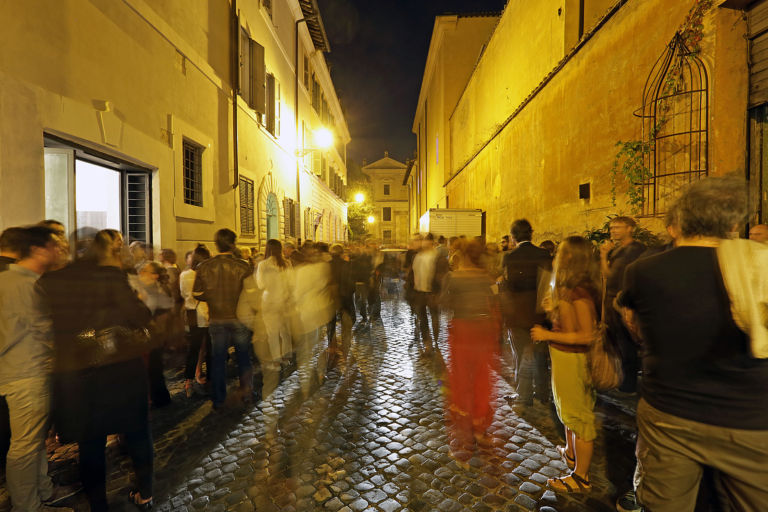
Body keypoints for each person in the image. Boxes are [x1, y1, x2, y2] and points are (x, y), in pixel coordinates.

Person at [617, 178, 768, 512]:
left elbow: (637, 331)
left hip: (671, 414)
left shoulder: (643, 271)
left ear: (678, 223)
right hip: (751, 419)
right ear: (729, 222)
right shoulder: (760, 264)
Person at [39, 229, 155, 511]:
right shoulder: (111, 277)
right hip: (120, 371)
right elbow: (140, 315)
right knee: (138, 432)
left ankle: (98, 505)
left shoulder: (54, 281)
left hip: (82, 373)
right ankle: (146, 494)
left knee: (91, 442)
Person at [0, 226, 74, 512]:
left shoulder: (12, 280)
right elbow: (46, 333)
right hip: (26, 373)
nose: (58, 250)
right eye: (53, 245)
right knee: (24, 446)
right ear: (38, 250)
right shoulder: (26, 286)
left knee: (33, 441)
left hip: (19, 371)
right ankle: (27, 506)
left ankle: (43, 489)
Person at [531, 236, 599, 494]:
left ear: (569, 258)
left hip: (574, 360)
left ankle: (581, 478)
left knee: (580, 419)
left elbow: (586, 335)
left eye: (560, 251)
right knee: (568, 412)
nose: (556, 255)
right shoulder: (567, 289)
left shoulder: (579, 292)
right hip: (563, 358)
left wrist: (548, 334)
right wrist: (553, 311)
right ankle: (571, 454)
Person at [442, 239, 500, 457]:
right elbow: (496, 300)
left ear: (463, 256)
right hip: (483, 329)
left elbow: (444, 303)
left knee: (462, 377)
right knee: (481, 378)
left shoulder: (454, 277)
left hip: (463, 329)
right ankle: (479, 427)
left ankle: (466, 429)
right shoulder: (487, 278)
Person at [193, 229, 254, 409]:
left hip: (217, 318)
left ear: (216, 245)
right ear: (233, 244)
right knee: (243, 356)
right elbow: (250, 293)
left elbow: (197, 293)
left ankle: (218, 398)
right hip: (239, 317)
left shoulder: (204, 266)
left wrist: (211, 297)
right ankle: (246, 393)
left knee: (218, 358)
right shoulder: (243, 266)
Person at [502, 219, 552, 405]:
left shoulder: (510, 257)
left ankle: (523, 395)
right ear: (531, 234)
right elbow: (548, 284)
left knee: (522, 354)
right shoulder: (544, 254)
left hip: (518, 312)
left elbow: (509, 286)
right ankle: (543, 393)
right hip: (540, 312)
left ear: (513, 236)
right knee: (540, 355)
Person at [599, 216, 644, 393]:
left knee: (627, 343)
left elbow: (616, 275)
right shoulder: (617, 250)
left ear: (630, 229)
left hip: (624, 302)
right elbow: (606, 275)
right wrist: (605, 255)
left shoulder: (635, 250)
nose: (613, 231)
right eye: (611, 228)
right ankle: (620, 378)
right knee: (617, 341)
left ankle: (629, 383)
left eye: (618, 227)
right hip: (612, 301)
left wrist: (603, 256)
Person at [255, 239, 293, 400]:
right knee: (285, 330)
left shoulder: (263, 265)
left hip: (269, 300)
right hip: (284, 300)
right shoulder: (287, 264)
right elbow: (291, 283)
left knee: (272, 332)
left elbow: (260, 285)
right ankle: (286, 356)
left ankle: (276, 359)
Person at [135, 261, 174, 407]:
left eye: (145, 271)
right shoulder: (147, 289)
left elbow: (162, 315)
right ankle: (160, 397)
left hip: (153, 335)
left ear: (154, 276)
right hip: (151, 335)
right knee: (154, 368)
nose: (141, 273)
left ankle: (158, 398)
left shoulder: (157, 292)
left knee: (153, 367)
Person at [180, 244, 211, 397]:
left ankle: (189, 381)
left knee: (194, 348)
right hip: (207, 314)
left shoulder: (184, 275)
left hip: (192, 314)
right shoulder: (207, 275)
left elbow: (184, 294)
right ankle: (204, 376)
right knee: (207, 348)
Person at [412, 233, 447, 355]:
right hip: (420, 292)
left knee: (434, 317)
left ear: (432, 243)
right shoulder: (418, 256)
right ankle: (427, 342)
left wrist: (438, 292)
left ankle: (436, 338)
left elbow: (442, 276)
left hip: (433, 292)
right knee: (423, 319)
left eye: (427, 241)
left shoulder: (438, 257)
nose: (424, 243)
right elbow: (414, 274)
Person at [327, 244, 355, 372]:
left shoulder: (327, 265)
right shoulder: (347, 265)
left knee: (331, 322)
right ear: (342, 253)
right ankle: (345, 349)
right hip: (345, 298)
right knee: (346, 324)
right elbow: (351, 282)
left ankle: (332, 347)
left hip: (330, 298)